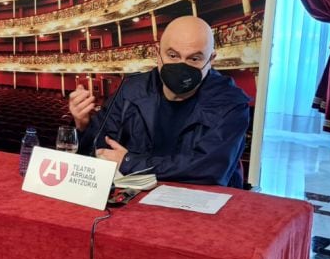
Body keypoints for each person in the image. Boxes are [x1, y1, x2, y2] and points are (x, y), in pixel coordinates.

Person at [68, 15, 250, 188]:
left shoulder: (231, 103)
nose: (181, 65)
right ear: (157, 53)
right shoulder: (130, 89)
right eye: (173, 55)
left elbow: (209, 169)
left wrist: (129, 162)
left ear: (211, 60)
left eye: (194, 58)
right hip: (136, 199)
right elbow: (101, 151)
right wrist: (83, 125)